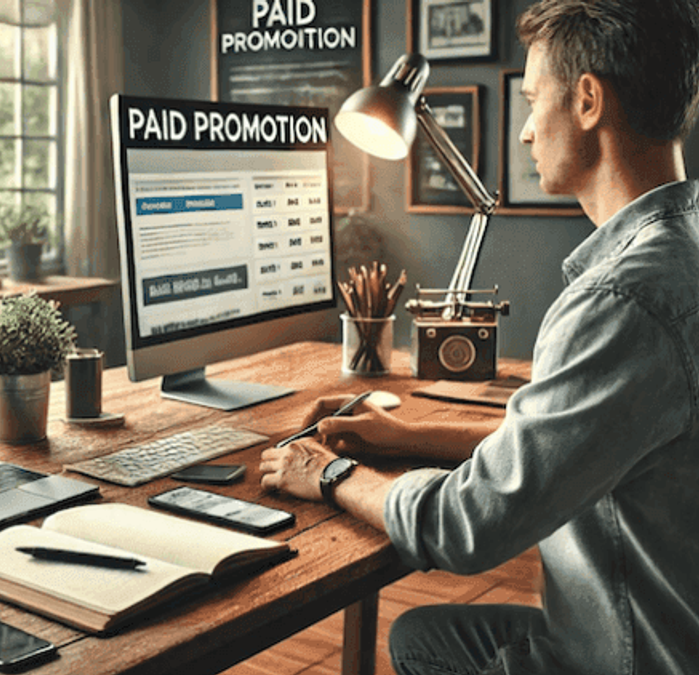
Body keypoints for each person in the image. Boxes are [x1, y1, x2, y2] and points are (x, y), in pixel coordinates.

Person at [259, 1, 699, 673]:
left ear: (587, 100)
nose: (525, 131)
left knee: (423, 644)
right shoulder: (682, 251)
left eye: (530, 100)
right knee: (418, 637)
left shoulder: (622, 302)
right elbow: (563, 446)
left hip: (631, 653)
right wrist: (407, 438)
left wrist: (330, 473)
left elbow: (466, 525)